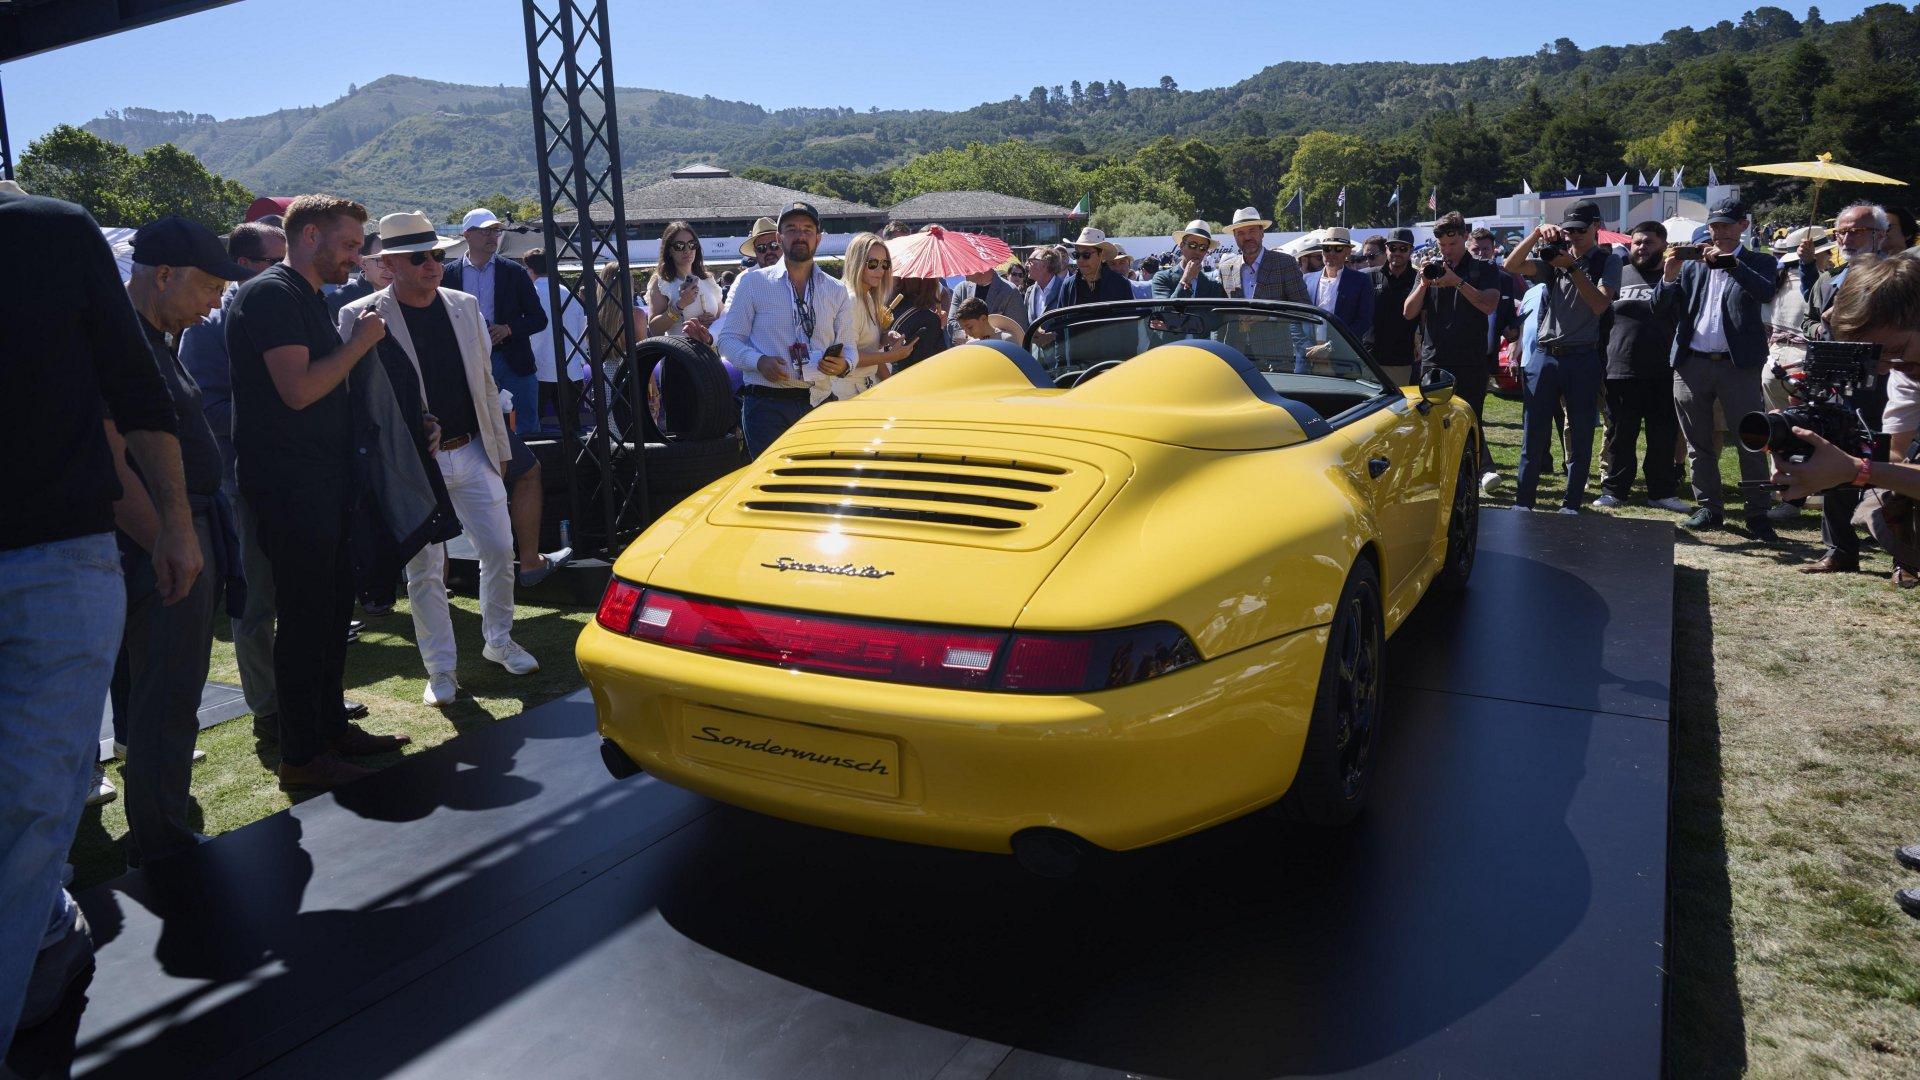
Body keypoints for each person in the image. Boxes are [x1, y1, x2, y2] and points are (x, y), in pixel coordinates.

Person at [1, 186, 200, 1051]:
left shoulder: (48, 231)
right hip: (59, 566)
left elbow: (132, 393)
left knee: (37, 808)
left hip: (59, 557)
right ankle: (42, 930)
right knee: (33, 813)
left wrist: (174, 529)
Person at [226, 194, 411, 791]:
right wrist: (360, 343)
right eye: (352, 244)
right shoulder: (273, 294)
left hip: (322, 480)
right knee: (305, 618)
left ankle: (328, 729)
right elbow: (300, 391)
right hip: (289, 485)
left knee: (331, 612)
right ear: (309, 235)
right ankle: (302, 756)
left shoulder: (303, 296)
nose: (359, 258)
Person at [340, 211, 549, 706]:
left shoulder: (464, 304)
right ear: (390, 265)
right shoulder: (361, 317)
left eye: (437, 253)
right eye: (421, 256)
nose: (434, 264)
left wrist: (497, 449)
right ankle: (442, 670)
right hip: (414, 466)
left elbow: (483, 381)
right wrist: (408, 435)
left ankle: (498, 641)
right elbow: (357, 400)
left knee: (500, 548)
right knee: (425, 568)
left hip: (472, 449)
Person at [115, 217, 247, 867]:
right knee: (166, 698)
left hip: (177, 530)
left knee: (161, 695)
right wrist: (169, 540)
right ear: (162, 275)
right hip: (161, 539)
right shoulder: (122, 344)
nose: (215, 304)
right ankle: (162, 842)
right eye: (210, 288)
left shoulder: (154, 338)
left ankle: (157, 826)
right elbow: (112, 464)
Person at [179, 222, 296, 734]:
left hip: (296, 475)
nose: (285, 270)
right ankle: (269, 710)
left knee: (302, 594)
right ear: (245, 265)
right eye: (275, 260)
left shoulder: (293, 310)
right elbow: (204, 407)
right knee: (255, 600)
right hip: (240, 482)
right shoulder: (207, 328)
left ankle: (308, 700)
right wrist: (284, 413)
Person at [1653, 196, 1780, 539]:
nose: (1719, 232)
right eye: (1714, 226)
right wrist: (1667, 277)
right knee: (1698, 442)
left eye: (1726, 225)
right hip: (1691, 363)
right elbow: (1662, 308)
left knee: (1751, 440)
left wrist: (1731, 265)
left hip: (1737, 366)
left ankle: (1757, 513)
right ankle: (1709, 507)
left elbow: (1765, 292)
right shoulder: (1692, 265)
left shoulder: (1759, 262)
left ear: (1743, 226)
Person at [1507, 200, 1621, 513]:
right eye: (1568, 230)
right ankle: (1523, 502)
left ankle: (1571, 503)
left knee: (1581, 432)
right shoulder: (1552, 257)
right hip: (1545, 354)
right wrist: (1535, 235)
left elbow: (1599, 304)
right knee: (1533, 433)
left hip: (1582, 356)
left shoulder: (1606, 261)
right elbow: (1511, 266)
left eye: (1580, 230)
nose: (1572, 236)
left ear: (1597, 227)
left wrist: (1569, 266)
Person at [717, 201, 858, 455]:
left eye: (807, 229)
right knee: (773, 489)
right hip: (766, 404)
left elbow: (849, 346)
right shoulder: (753, 283)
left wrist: (844, 364)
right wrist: (758, 361)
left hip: (818, 402)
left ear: (818, 238)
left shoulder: (836, 290)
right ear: (780, 238)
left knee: (816, 486)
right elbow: (727, 341)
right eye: (791, 229)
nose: (800, 235)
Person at [1798, 202, 1891, 572]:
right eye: (1841, 232)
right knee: (1835, 462)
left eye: (1857, 231)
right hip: (1836, 386)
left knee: (1888, 467)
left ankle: (1903, 554)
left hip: (1885, 385)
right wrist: (1822, 327)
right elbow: (1807, 324)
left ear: (1880, 235)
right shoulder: (1827, 279)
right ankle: (1839, 550)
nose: (1848, 238)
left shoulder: (1897, 277)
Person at [1595, 221, 1687, 512]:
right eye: (1636, 242)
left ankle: (1661, 491)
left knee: (1663, 434)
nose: (1641, 248)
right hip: (1620, 368)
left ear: (1663, 244)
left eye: (1648, 242)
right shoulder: (1617, 276)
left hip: (1664, 369)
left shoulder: (1676, 278)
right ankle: (1615, 490)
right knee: (1621, 434)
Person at [1408, 211, 1503, 487]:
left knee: (1470, 417)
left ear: (1464, 237)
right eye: (1442, 246)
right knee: (1434, 420)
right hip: (1435, 359)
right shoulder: (1430, 267)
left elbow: (1489, 305)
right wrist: (1424, 283)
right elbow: (1408, 312)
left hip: (1471, 359)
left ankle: (1478, 470)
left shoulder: (1484, 269)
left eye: (1453, 244)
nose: (1447, 251)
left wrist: (1457, 282)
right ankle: (1439, 474)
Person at [443, 208, 548, 436]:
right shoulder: (447, 275)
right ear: (467, 234)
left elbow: (539, 319)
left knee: (526, 429)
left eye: (495, 231)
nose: (492, 236)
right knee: (472, 427)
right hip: (468, 361)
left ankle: (531, 471)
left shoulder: (514, 272)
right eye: (486, 231)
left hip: (512, 362)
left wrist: (508, 329)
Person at [826, 232, 914, 403]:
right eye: (873, 263)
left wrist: (885, 338)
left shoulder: (867, 296)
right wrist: (892, 356)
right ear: (856, 262)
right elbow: (846, 356)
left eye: (885, 264)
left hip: (862, 388)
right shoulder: (851, 299)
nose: (880, 270)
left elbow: (863, 344)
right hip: (847, 393)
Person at [525, 247, 589, 432]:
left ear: (531, 270)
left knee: (532, 425)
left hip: (537, 370)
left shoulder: (529, 294)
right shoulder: (568, 294)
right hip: (569, 369)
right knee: (572, 427)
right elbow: (581, 333)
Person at [644, 220, 722, 346]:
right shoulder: (661, 282)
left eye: (692, 244)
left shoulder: (707, 279)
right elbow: (654, 329)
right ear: (669, 250)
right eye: (679, 246)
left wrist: (713, 322)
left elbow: (723, 316)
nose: (687, 250)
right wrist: (680, 305)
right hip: (679, 357)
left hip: (709, 356)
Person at [1216, 207, 1309, 303]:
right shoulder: (1225, 269)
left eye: (1252, 231)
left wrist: (1270, 318)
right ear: (1234, 237)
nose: (1247, 237)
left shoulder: (1285, 264)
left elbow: (1303, 309)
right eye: (1240, 233)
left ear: (1262, 233)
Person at [1367, 227, 1421, 386]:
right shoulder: (1368, 276)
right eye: (1393, 248)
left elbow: (1425, 316)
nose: (1397, 252)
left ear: (1411, 250)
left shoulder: (1419, 279)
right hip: (1368, 358)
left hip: (1401, 360)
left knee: (1397, 409)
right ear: (1386, 249)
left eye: (1403, 248)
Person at [1046, 227, 1135, 310]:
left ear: (1101, 255)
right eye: (1076, 255)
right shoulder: (1068, 286)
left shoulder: (1121, 284)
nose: (1080, 260)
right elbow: (1060, 322)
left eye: (1086, 255)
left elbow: (1129, 323)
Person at [1309, 227, 1375, 340]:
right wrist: (1306, 347)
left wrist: (1333, 346)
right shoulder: (1306, 279)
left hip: (1343, 352)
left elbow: (1364, 321)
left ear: (1348, 252)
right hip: (1309, 352)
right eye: (1327, 248)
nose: (1331, 253)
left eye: (1338, 248)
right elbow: (1297, 319)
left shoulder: (1361, 281)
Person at [949, 261, 1028, 341]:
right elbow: (952, 324)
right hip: (969, 350)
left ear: (982, 264)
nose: (963, 269)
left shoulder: (1010, 291)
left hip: (999, 349)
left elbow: (1019, 330)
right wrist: (971, 337)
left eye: (967, 263)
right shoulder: (961, 289)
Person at [888, 277, 950, 371]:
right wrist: (940, 327)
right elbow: (938, 359)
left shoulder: (890, 309)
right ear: (930, 285)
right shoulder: (930, 319)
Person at [1152, 220, 1226, 299]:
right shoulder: (1162, 278)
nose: (1197, 251)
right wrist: (1185, 280)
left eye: (1202, 247)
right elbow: (1163, 309)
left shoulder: (1213, 285)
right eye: (1192, 245)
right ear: (1181, 246)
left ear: (1206, 252)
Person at [327, 231, 388, 316]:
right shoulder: (337, 302)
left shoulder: (408, 296)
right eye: (382, 260)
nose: (390, 268)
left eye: (395, 260)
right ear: (363, 262)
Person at [955, 297, 1023, 343]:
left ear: (983, 319)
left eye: (970, 327)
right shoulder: (971, 344)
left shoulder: (1006, 340)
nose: (967, 333)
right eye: (964, 329)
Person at [1024, 247, 1062, 324]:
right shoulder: (1029, 292)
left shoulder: (1064, 289)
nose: (1026, 265)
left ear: (1045, 264)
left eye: (1030, 261)